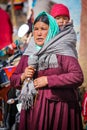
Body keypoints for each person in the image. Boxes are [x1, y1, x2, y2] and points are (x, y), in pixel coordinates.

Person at [10, 11, 84, 130]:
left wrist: (48, 80)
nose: (39, 33)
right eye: (36, 29)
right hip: (32, 110)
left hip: (59, 109)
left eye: (43, 29)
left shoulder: (63, 51)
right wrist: (23, 76)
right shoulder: (29, 53)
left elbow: (77, 77)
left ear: (52, 30)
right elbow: (13, 79)